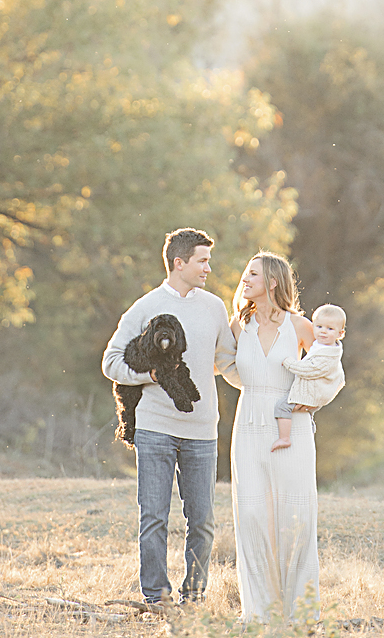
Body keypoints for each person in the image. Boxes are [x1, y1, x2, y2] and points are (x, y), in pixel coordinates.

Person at [102, 228, 238, 609]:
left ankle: (193, 597)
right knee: (154, 519)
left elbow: (226, 362)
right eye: (202, 260)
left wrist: (269, 389)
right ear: (179, 263)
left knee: (203, 523)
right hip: (155, 428)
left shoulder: (214, 306)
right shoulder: (144, 307)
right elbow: (111, 362)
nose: (208, 268)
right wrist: (152, 377)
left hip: (201, 431)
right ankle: (155, 597)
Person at [229, 252, 320, 620]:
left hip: (291, 428)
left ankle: (301, 613)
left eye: (253, 274)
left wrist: (304, 404)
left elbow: (328, 373)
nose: (245, 279)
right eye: (246, 273)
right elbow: (227, 367)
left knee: (295, 514)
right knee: (251, 514)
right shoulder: (239, 325)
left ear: (273, 282)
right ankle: (260, 613)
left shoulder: (300, 326)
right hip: (248, 423)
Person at [272, 304, 346, 452]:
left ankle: (284, 438)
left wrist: (289, 363)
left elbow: (309, 370)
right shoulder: (322, 346)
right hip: (317, 392)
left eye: (330, 329)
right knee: (308, 415)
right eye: (319, 327)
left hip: (315, 393)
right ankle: (309, 430)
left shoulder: (328, 355)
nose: (323, 331)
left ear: (340, 333)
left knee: (282, 406)